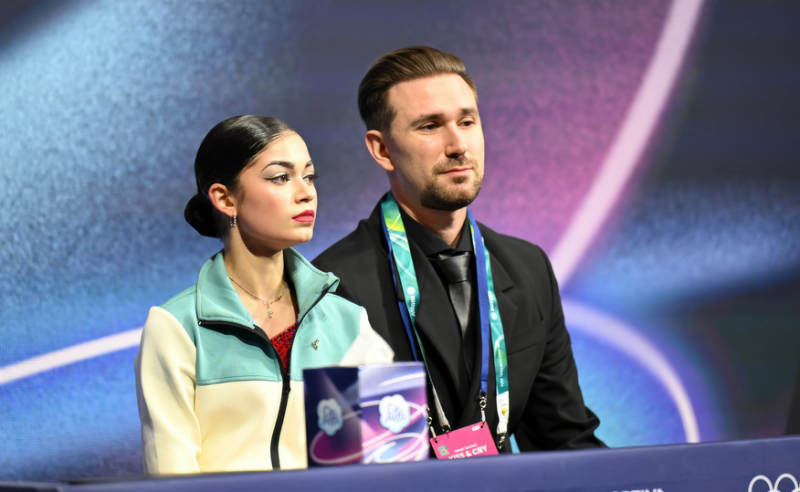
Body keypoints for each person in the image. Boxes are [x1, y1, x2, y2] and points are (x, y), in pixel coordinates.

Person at [313, 46, 604, 452]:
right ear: (382, 149)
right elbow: (356, 464)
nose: (458, 145)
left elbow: (563, 440)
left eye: (467, 122)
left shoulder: (528, 268)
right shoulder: (335, 287)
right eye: (430, 126)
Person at [134, 115, 393, 474]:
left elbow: (382, 463)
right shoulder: (177, 328)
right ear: (224, 198)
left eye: (309, 176)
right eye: (281, 177)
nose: (306, 192)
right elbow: (172, 476)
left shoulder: (348, 322)